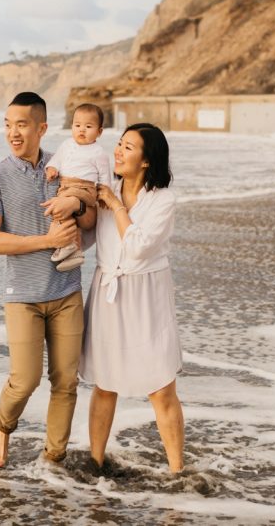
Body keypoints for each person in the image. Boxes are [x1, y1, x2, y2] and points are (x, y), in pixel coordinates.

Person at [0, 92, 97, 468]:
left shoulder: (65, 166)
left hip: (66, 291)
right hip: (23, 295)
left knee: (66, 382)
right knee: (24, 379)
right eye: (8, 125)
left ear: (42, 128)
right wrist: (47, 240)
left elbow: (91, 218)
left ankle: (53, 458)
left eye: (22, 125)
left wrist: (77, 204)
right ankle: (2, 426)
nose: (13, 132)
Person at [79, 122, 185, 473]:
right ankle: (95, 463)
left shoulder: (162, 201)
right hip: (108, 294)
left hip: (147, 297)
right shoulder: (103, 191)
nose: (118, 151)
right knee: (105, 384)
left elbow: (138, 249)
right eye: (119, 144)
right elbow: (85, 238)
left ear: (145, 160)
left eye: (128, 146)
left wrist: (115, 205)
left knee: (161, 387)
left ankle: (177, 472)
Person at [45, 103, 112, 272]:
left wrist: (105, 195)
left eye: (88, 126)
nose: (82, 130)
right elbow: (57, 160)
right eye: (77, 125)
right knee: (61, 214)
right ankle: (73, 249)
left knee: (62, 204)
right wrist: (52, 168)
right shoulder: (66, 144)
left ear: (99, 131)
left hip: (85, 188)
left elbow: (105, 176)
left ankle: (70, 246)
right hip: (65, 185)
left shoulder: (98, 152)